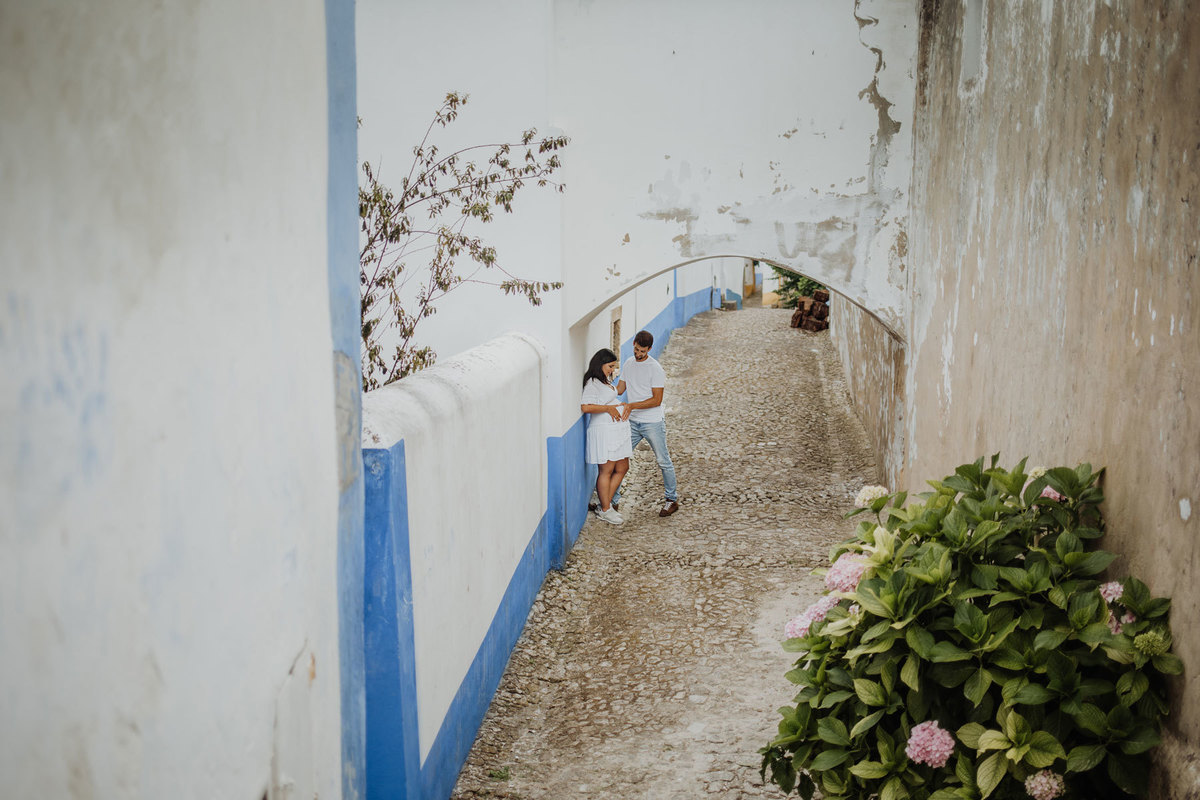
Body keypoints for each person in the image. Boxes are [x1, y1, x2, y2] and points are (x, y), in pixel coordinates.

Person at [613, 330, 679, 517]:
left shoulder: (655, 368)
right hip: (633, 422)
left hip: (652, 422)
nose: (638, 354)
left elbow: (656, 400)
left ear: (649, 349)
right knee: (620, 457)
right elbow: (620, 389)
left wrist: (632, 405)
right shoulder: (628, 363)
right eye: (636, 349)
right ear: (633, 344)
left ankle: (671, 500)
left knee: (663, 460)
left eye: (642, 351)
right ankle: (614, 500)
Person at [580, 348, 632, 524]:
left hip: (616, 431)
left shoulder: (604, 381)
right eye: (610, 366)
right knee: (606, 470)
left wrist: (618, 404)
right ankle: (605, 509)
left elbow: (608, 398)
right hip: (604, 431)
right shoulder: (592, 382)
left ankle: (605, 504)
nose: (612, 370)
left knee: (623, 467)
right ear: (600, 363)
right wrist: (609, 408)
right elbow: (586, 407)